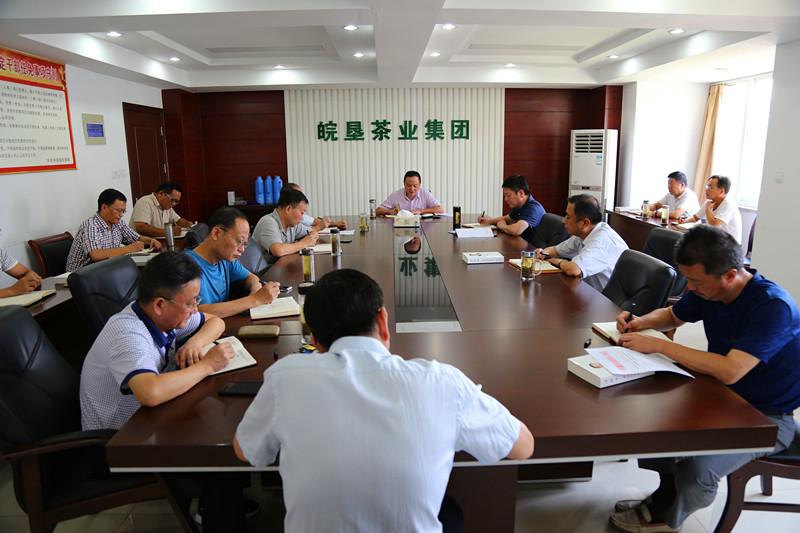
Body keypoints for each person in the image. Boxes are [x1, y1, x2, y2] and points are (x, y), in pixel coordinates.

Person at [234, 269, 534, 532]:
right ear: (383, 320)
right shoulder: (441, 381)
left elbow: (245, 450)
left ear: (315, 341)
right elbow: (522, 447)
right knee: (449, 512)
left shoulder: (286, 377)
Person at [608, 225, 800, 533]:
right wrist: (640, 322)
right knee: (653, 425)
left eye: (696, 281)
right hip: (720, 394)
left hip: (767, 417)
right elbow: (673, 316)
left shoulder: (772, 307)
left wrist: (660, 345)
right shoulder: (710, 290)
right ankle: (666, 496)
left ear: (730, 275)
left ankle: (670, 521)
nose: (690, 287)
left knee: (699, 469)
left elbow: (731, 369)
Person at [78, 251, 244, 531]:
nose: (195, 309)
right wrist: (207, 365)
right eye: (191, 302)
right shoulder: (128, 335)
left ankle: (221, 508)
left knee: (224, 429)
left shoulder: (161, 316)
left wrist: (195, 343)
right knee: (223, 460)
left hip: (146, 425)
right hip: (115, 444)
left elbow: (215, 321)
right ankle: (219, 514)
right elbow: (151, 393)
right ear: (159, 304)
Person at [185, 207, 279, 318]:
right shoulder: (188, 265)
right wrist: (255, 299)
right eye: (239, 241)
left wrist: (256, 293)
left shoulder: (225, 259)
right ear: (216, 233)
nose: (242, 250)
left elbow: (251, 278)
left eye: (245, 244)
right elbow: (200, 312)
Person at [535, 194, 627, 292]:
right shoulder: (583, 233)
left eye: (568, 217)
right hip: (588, 291)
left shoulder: (601, 241)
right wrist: (543, 253)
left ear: (585, 223)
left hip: (605, 298)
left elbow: (574, 270)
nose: (564, 221)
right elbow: (555, 250)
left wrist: (558, 261)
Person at [66, 188, 161, 272]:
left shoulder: (118, 223)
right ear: (104, 207)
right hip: (81, 274)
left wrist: (151, 241)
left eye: (123, 211)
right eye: (118, 210)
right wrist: (129, 248)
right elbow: (96, 255)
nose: (121, 215)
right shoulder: (90, 225)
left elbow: (136, 238)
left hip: (105, 269)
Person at [239, 188, 319, 274]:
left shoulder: (292, 224)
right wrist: (304, 243)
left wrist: (312, 235)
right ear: (288, 209)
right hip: (261, 274)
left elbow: (311, 231)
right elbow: (278, 250)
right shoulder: (268, 222)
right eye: (302, 213)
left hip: (278, 269)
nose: (302, 217)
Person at [478, 175, 545, 242]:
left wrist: (502, 226)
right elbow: (506, 219)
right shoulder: (519, 205)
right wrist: (488, 221)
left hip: (531, 247)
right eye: (505, 196)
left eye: (508, 195)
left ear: (521, 193)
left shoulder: (533, 208)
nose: (506, 199)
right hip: (520, 243)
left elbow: (516, 230)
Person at [684, 175, 742, 244]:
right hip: (715, 240)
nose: (706, 189)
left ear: (721, 191)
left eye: (710, 187)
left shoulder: (729, 204)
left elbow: (715, 225)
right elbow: (695, 218)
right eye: (707, 186)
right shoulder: (709, 201)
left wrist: (708, 210)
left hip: (729, 245)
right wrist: (684, 221)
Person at [129, 181, 194, 238]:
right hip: (141, 245)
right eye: (172, 200)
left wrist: (188, 224)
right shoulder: (145, 202)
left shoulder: (167, 206)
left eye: (176, 201)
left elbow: (178, 220)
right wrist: (168, 233)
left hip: (157, 243)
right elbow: (141, 227)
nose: (174, 204)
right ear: (161, 193)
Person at [375, 170, 444, 216]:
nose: (412, 189)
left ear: (419, 184)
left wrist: (421, 211)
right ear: (404, 184)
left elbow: (440, 209)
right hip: (401, 227)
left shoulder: (425, 193)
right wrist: (389, 212)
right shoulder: (396, 195)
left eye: (415, 185)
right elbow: (377, 211)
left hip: (422, 227)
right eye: (408, 185)